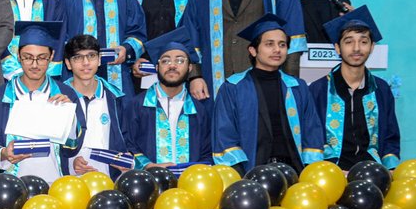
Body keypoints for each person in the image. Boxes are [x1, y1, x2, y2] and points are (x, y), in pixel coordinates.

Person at [212, 14, 324, 174]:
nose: (277, 50)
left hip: (294, 171)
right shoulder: (233, 88)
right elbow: (225, 136)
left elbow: (312, 131)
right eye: (269, 44)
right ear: (253, 50)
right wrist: (241, 175)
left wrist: (309, 172)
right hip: (251, 172)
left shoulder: (298, 87)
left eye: (282, 44)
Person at [308, 6, 400, 169]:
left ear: (372, 47)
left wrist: (390, 170)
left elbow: (390, 138)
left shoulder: (381, 89)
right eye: (349, 42)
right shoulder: (319, 90)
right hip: (331, 171)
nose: (357, 48)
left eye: (363, 42)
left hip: (372, 171)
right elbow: (311, 138)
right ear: (337, 48)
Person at [0, 21, 75, 182]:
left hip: (55, 182)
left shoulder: (65, 94)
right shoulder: (0, 96)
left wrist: (70, 118)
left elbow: (73, 145)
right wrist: (4, 153)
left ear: (51, 57)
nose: (34, 64)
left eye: (41, 58)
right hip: (13, 185)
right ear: (18, 56)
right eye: (28, 57)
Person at [124, 26, 213, 169]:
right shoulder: (137, 105)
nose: (172, 66)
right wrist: (148, 166)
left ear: (190, 68)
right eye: (165, 61)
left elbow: (207, 153)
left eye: (179, 60)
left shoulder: (198, 110)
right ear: (157, 67)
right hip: (149, 183)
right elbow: (127, 145)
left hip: (189, 186)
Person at [58, 34, 131, 178]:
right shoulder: (58, 98)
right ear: (68, 63)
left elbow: (128, 143)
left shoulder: (115, 98)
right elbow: (52, 148)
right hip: (69, 185)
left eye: (91, 56)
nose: (86, 63)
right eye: (78, 57)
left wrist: (126, 162)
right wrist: (71, 161)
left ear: (99, 60)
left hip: (109, 183)